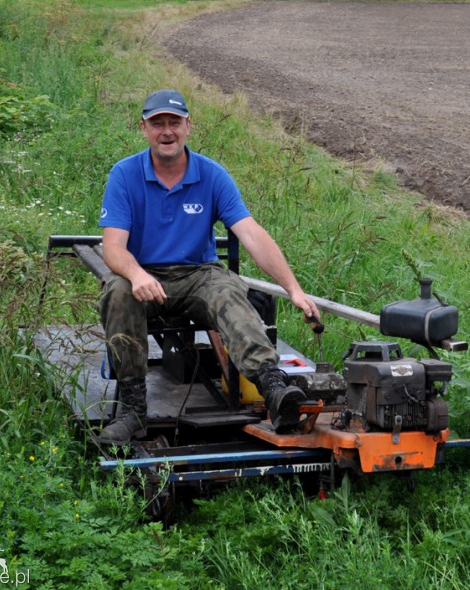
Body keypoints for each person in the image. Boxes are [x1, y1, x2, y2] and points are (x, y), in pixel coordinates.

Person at [96, 89, 320, 443]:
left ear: (188, 126)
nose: (167, 131)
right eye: (158, 123)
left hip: (197, 274)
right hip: (144, 273)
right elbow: (113, 248)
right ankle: (132, 410)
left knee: (227, 290)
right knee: (118, 291)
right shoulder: (124, 174)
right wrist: (137, 274)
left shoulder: (212, 175)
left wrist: (293, 289)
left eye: (174, 122)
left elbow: (251, 234)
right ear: (144, 128)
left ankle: (274, 389)